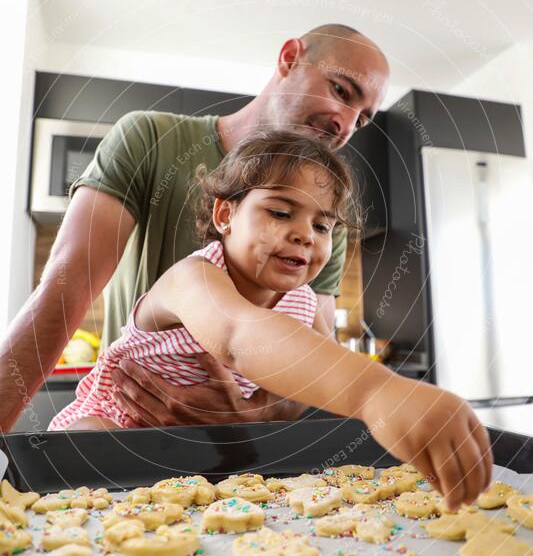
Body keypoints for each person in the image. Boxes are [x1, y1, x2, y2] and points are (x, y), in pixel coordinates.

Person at [46, 131, 492, 510]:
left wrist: (392, 410)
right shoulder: (193, 277)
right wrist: (378, 391)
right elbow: (239, 334)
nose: (304, 233)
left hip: (195, 452)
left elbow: (320, 366)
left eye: (322, 226)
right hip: (116, 422)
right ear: (226, 215)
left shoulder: (299, 301)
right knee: (87, 451)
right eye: (280, 212)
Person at [0, 24, 390, 432]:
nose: (345, 124)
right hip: (123, 419)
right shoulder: (149, 139)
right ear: (290, 58)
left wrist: (253, 414)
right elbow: (67, 284)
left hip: (228, 448)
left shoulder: (321, 224)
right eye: (341, 91)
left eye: (362, 120)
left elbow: (313, 360)